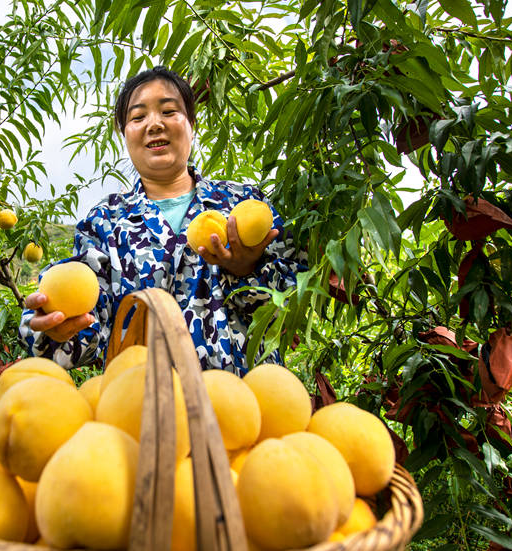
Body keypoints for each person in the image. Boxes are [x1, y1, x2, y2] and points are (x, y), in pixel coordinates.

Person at [19, 66, 305, 376]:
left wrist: (247, 270)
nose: (154, 124)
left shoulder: (241, 203)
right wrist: (55, 327)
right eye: (138, 117)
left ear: (192, 126)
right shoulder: (105, 222)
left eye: (169, 111)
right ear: (124, 134)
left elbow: (293, 308)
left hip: (246, 399)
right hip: (143, 401)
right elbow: (86, 326)